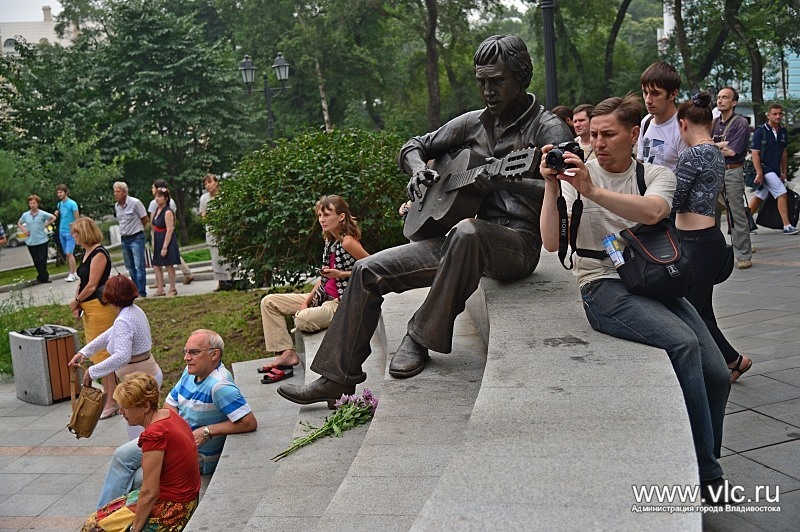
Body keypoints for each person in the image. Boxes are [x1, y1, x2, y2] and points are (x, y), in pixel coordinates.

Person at [277, 34, 572, 408]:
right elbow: (413, 145)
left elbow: (568, 197)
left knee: (468, 232)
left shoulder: (549, 131)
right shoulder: (472, 124)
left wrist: (504, 181)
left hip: (520, 243)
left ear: (521, 76)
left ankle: (419, 336)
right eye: (481, 81)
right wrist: (418, 170)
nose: (487, 90)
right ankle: (335, 377)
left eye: (496, 80)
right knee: (368, 269)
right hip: (463, 241)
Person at [539, 93, 731, 498]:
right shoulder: (578, 176)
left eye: (609, 134)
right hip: (602, 285)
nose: (599, 143)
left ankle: (702, 459)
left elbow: (653, 213)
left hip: (651, 279)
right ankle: (709, 477)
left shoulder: (655, 173)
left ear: (633, 134)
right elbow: (551, 243)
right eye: (594, 135)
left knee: (717, 373)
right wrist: (550, 187)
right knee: (682, 344)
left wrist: (592, 191)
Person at [95, 329, 257, 509]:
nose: (187, 358)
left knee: (135, 479)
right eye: (186, 352)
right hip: (175, 439)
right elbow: (169, 403)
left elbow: (249, 422)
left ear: (214, 354)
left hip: (195, 456)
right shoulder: (190, 373)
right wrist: (175, 431)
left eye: (194, 352)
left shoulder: (220, 386)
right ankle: (101, 517)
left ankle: (102, 520)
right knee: (120, 456)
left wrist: (207, 431)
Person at [675, 92, 754, 383]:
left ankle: (735, 359)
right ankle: (724, 362)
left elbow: (675, 199)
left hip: (695, 242)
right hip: (709, 239)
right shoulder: (714, 152)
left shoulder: (691, 155)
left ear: (683, 124)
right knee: (702, 307)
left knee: (693, 309)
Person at [259, 195, 369, 376]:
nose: (322, 220)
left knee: (302, 320)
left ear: (341, 217)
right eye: (319, 216)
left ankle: (301, 324)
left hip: (340, 303)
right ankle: (285, 352)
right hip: (322, 295)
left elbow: (372, 267)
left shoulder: (348, 242)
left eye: (326, 215)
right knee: (269, 302)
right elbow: (324, 278)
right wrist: (306, 301)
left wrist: (343, 274)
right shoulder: (329, 240)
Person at [81, 373, 200, 532]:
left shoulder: (154, 435)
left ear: (145, 406)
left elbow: (150, 493)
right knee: (100, 518)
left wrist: (135, 528)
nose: (121, 411)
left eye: (126, 406)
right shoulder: (169, 414)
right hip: (186, 498)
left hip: (173, 508)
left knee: (93, 527)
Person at [68, 275, 163, 440]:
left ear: (108, 297)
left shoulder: (124, 320)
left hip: (140, 384)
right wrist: (84, 352)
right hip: (147, 377)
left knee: (138, 438)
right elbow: (110, 333)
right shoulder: (133, 311)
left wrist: (92, 371)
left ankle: (146, 464)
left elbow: (122, 356)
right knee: (147, 430)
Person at [69, 217, 120, 417]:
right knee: (99, 355)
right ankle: (109, 395)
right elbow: (82, 282)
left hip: (100, 309)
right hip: (89, 309)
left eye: (76, 233)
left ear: (84, 233)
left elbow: (92, 285)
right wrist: (78, 302)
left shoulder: (99, 253)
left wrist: (77, 301)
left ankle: (112, 400)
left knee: (104, 355)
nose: (73, 236)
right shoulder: (87, 252)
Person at [713, 87, 754, 268]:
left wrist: (715, 146)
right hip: (715, 172)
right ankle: (712, 251)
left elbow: (731, 151)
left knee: (736, 213)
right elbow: (703, 145)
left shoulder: (740, 123)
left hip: (732, 171)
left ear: (734, 103)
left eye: (725, 98)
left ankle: (743, 255)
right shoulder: (713, 123)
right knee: (710, 213)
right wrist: (721, 145)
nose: (720, 100)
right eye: (719, 97)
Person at [748, 104, 799, 235]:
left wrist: (783, 172)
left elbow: (784, 153)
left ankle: (743, 225)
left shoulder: (783, 131)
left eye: (780, 114)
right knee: (781, 193)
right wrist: (759, 172)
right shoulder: (760, 131)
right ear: (768, 115)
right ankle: (787, 225)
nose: (778, 116)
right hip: (765, 168)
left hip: (775, 169)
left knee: (760, 196)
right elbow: (755, 153)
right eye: (775, 114)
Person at [637, 60, 687, 171]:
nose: (648, 100)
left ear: (673, 94)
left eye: (655, 94)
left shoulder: (683, 128)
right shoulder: (646, 122)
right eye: (645, 92)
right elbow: (640, 162)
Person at [148, 179, 194, 286]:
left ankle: (161, 281)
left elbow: (152, 220)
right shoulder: (172, 201)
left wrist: (153, 230)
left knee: (163, 257)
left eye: (153, 187)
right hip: (169, 229)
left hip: (160, 232)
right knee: (173, 255)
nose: (152, 190)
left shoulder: (155, 203)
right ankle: (186, 273)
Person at [113, 182, 150, 297]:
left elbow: (145, 219)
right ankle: (134, 291)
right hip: (124, 238)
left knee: (139, 266)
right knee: (130, 266)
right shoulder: (117, 206)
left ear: (125, 192)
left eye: (118, 191)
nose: (115, 194)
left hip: (136, 237)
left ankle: (141, 291)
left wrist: (141, 232)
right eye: (114, 192)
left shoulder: (135, 203)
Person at [200, 173, 233, 291]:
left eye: (210, 182)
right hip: (212, 230)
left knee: (227, 256)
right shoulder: (204, 198)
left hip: (224, 229)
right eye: (205, 184)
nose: (208, 186)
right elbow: (203, 214)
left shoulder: (223, 196)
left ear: (216, 182)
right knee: (216, 258)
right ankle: (220, 282)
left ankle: (231, 280)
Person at [18, 194, 57, 284]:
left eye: (34, 203)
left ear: (37, 204)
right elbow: (19, 223)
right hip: (31, 241)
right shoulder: (25, 215)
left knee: (42, 260)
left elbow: (53, 217)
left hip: (42, 240)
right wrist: (24, 230)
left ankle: (43, 278)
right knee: (36, 261)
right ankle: (42, 277)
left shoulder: (42, 213)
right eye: (30, 203)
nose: (32, 205)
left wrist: (46, 224)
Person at [150, 187, 181, 297]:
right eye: (156, 196)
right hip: (158, 237)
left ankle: (172, 288)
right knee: (156, 265)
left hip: (165, 239)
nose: (157, 199)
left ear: (166, 198)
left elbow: (169, 230)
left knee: (168, 264)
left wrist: (165, 247)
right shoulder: (157, 210)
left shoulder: (168, 212)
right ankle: (160, 288)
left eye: (159, 196)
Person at [54, 184, 80, 282]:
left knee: (69, 253)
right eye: (58, 193)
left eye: (61, 192)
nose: (59, 194)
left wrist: (75, 229)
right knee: (67, 253)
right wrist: (57, 212)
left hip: (70, 232)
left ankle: (72, 273)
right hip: (62, 230)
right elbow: (61, 213)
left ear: (66, 192)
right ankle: (75, 272)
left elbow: (77, 218)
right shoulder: (60, 204)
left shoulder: (72, 204)